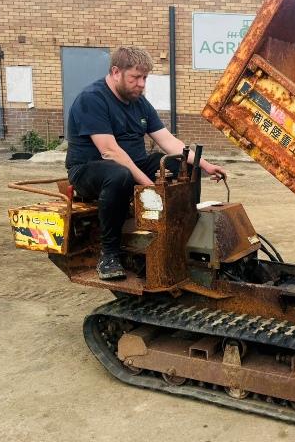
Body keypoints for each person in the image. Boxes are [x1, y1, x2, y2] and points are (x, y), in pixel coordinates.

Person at [65, 46, 226, 280]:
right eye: (135, 78)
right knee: (120, 175)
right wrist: (149, 186)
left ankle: (187, 232)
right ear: (116, 72)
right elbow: (110, 152)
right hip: (90, 169)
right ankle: (109, 255)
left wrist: (205, 165)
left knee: (184, 166)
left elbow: (167, 140)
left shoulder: (139, 102)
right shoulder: (92, 99)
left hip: (134, 164)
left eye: (145, 78)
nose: (141, 84)